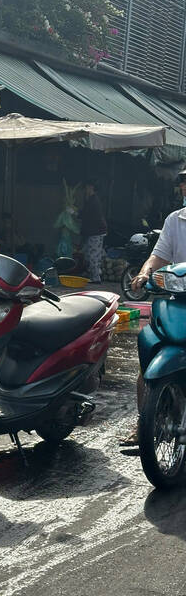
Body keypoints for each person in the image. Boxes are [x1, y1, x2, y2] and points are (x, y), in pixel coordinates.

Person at [123, 169, 186, 446]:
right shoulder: (176, 220)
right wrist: (144, 273)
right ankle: (144, 423)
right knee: (150, 346)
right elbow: (158, 256)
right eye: (183, 182)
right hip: (177, 301)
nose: (185, 186)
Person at [80, 180, 107, 283]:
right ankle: (97, 273)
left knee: (93, 255)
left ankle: (96, 278)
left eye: (87, 187)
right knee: (93, 253)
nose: (85, 190)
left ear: (91, 187)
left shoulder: (93, 200)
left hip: (95, 231)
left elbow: (88, 215)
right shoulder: (91, 199)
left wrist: (77, 213)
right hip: (97, 231)